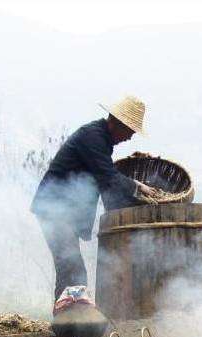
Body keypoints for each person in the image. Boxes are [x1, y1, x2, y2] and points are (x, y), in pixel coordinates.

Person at [31, 95, 157, 300]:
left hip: (64, 213)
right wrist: (137, 186)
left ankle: (69, 323)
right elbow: (108, 177)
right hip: (54, 209)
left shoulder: (101, 141)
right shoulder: (93, 138)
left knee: (71, 268)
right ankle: (68, 324)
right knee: (71, 267)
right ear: (119, 124)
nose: (130, 137)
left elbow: (105, 181)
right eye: (130, 131)